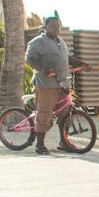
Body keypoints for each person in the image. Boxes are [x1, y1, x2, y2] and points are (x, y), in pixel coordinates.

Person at [25, 16, 78, 154]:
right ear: (45, 27)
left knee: (65, 115)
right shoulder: (38, 42)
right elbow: (29, 58)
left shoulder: (61, 42)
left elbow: (67, 59)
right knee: (44, 114)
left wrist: (82, 64)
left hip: (62, 84)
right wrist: (42, 69)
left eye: (58, 26)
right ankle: (40, 145)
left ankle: (64, 142)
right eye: (53, 26)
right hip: (46, 85)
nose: (56, 29)